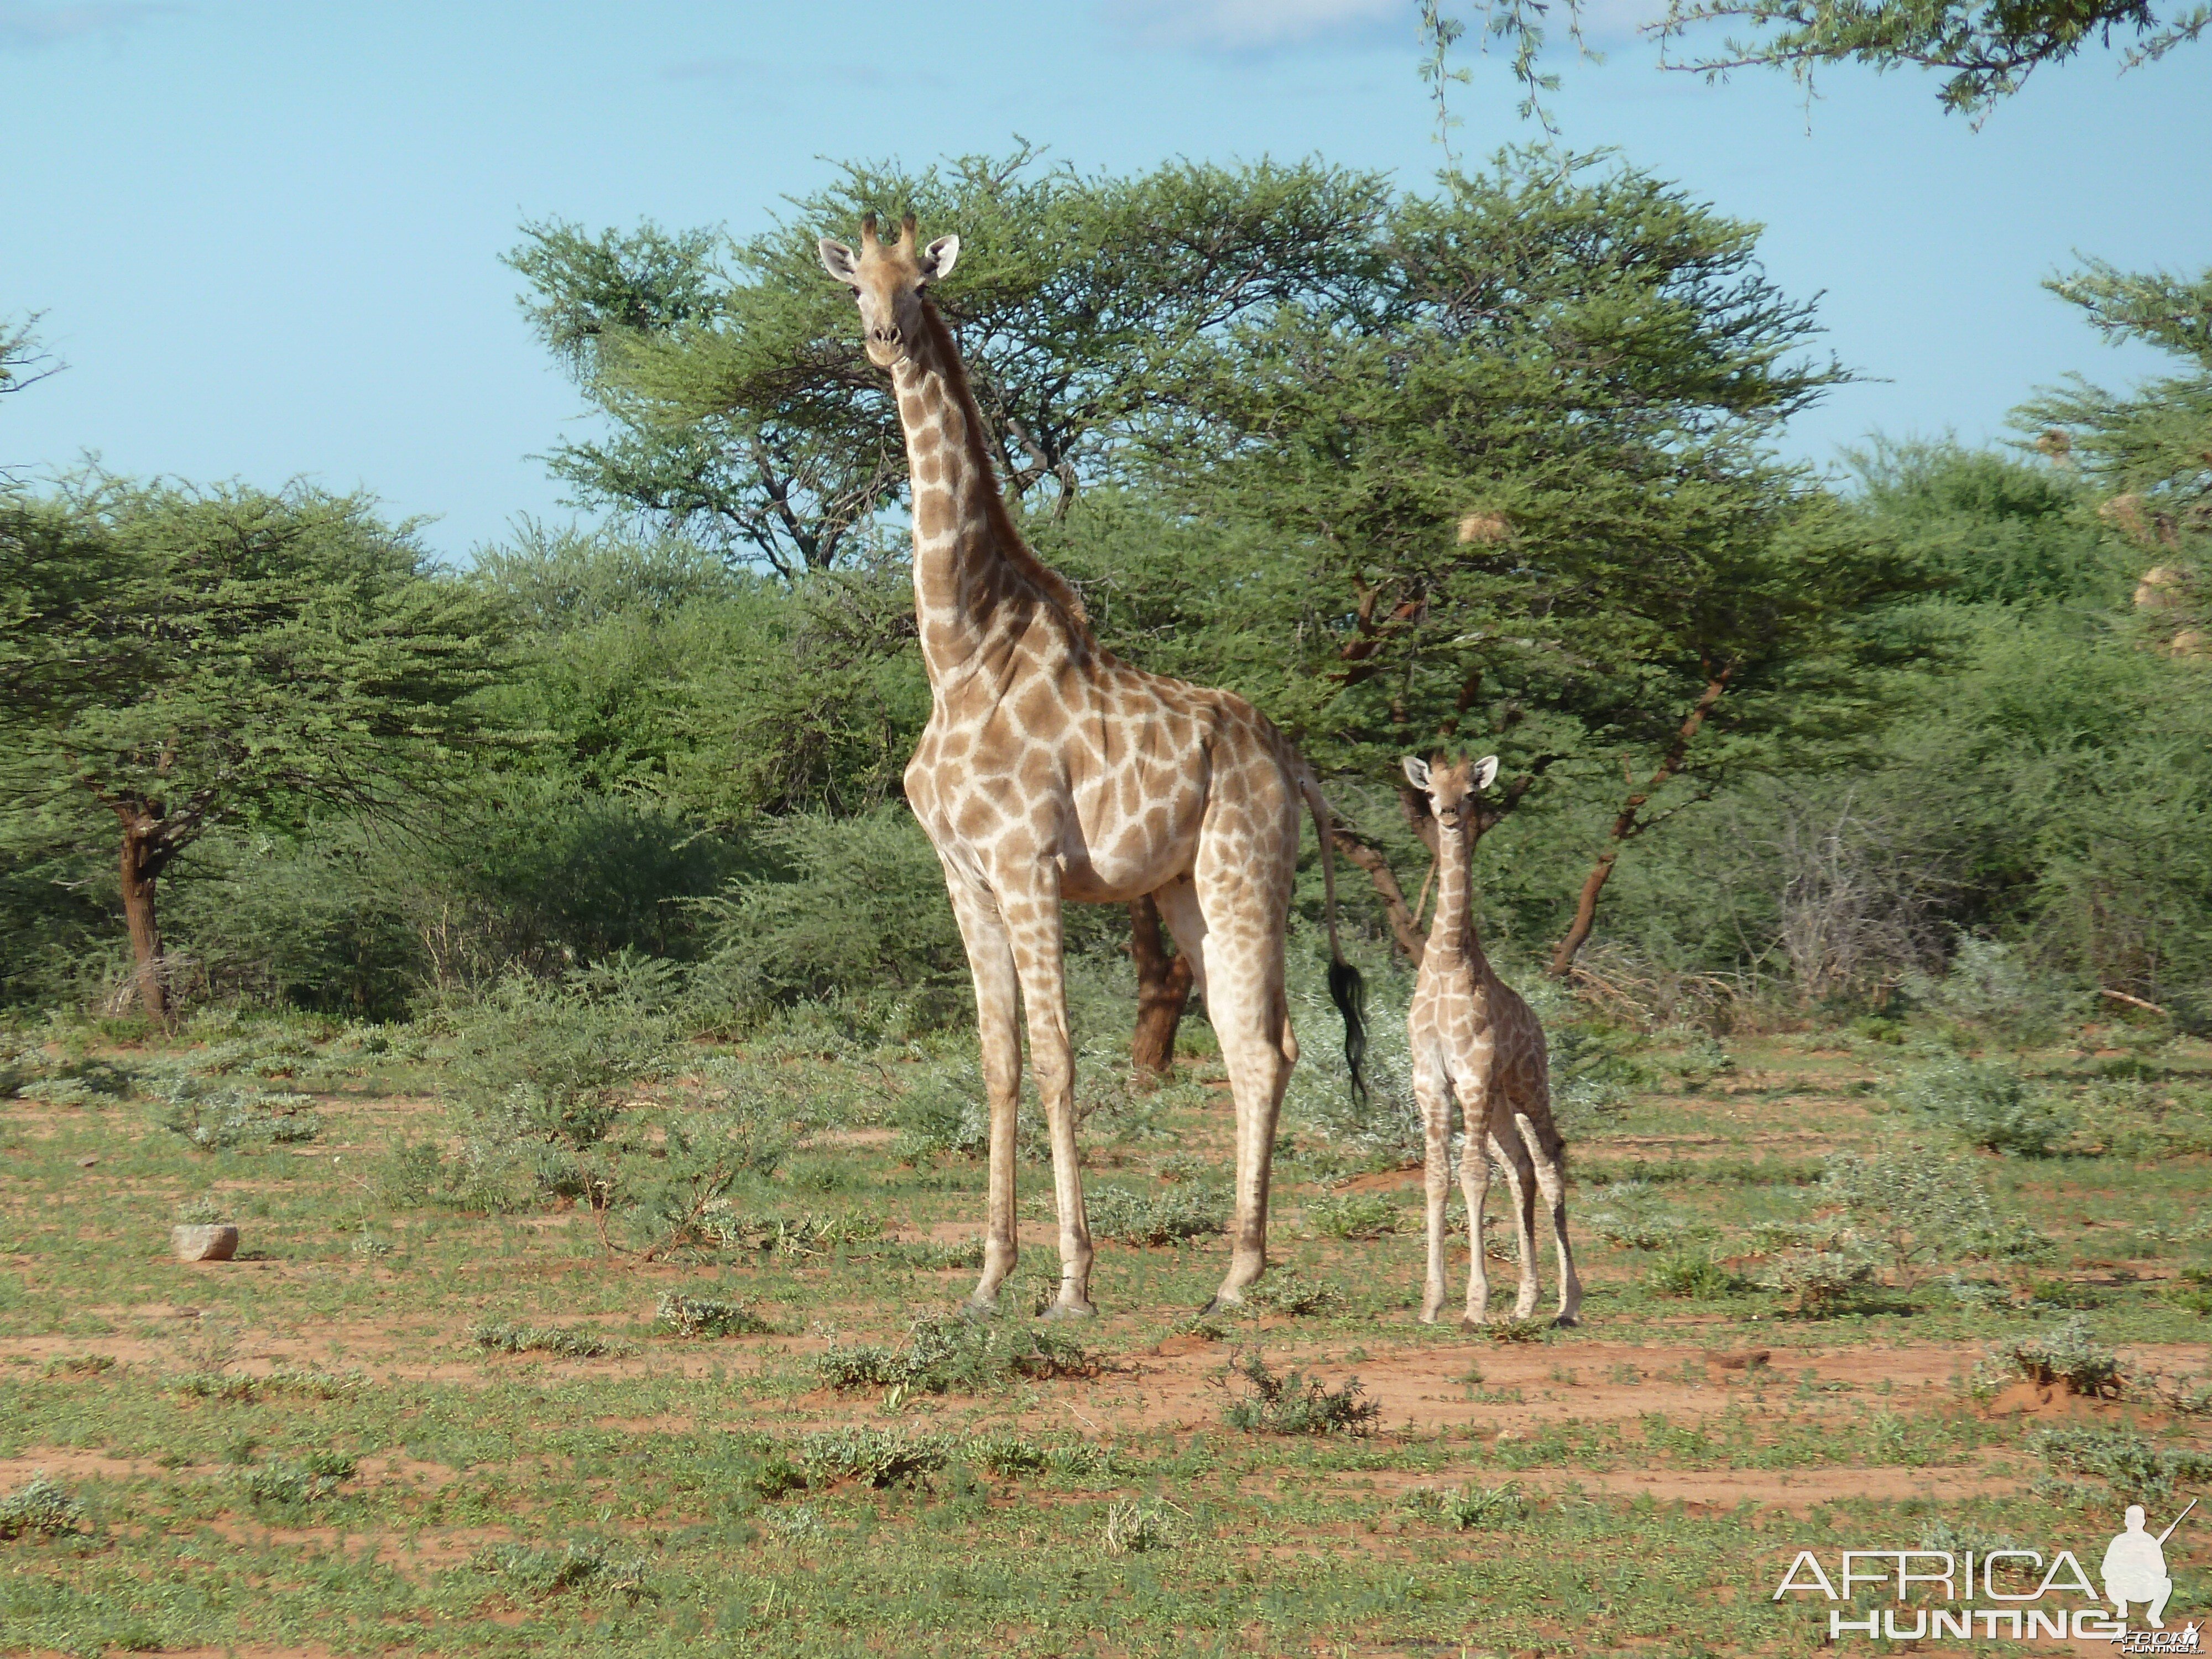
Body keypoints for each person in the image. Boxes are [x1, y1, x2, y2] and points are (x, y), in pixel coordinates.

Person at [2103, 1505, 2175, 1628]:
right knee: (2110, 1582)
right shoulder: (2119, 1541)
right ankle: (2122, 1605)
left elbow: (2162, 1572)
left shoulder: (2150, 1542)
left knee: (2166, 1583)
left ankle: (2154, 1615)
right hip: (2123, 1588)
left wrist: (2148, 1561)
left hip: (2145, 1590)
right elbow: (2106, 1571)